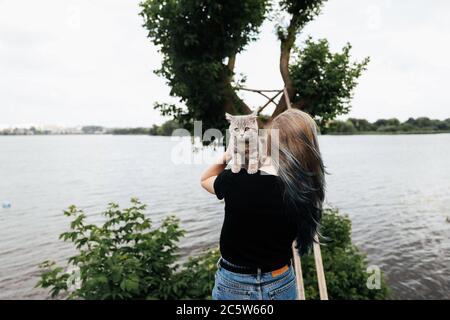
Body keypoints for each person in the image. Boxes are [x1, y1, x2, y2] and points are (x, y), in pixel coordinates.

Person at [200, 109, 325, 300]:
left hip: (235, 283)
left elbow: (205, 179)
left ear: (269, 140)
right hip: (281, 280)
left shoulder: (236, 178)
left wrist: (229, 154)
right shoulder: (307, 184)